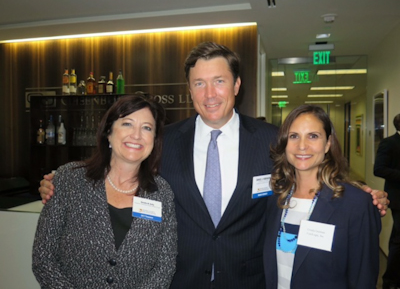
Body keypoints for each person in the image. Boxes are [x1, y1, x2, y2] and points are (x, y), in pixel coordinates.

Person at [38, 42, 388, 289]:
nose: (210, 94)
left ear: (236, 85)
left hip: (248, 279)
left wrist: (360, 192)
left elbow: (307, 171)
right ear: (189, 89)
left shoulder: (271, 140)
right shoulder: (164, 140)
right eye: (199, 83)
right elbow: (124, 161)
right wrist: (62, 179)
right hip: (180, 279)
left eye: (219, 81)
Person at [32, 94, 178, 288]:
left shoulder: (161, 193)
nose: (137, 135)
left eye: (147, 128)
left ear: (154, 140)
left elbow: (164, 266)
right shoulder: (69, 179)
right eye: (127, 124)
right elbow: (43, 258)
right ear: (108, 132)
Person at [263, 105, 381, 289]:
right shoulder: (275, 198)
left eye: (313, 136)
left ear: (327, 144)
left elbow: (362, 278)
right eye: (294, 136)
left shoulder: (354, 203)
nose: (302, 146)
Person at [374, 113, 400, 289]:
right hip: (398, 197)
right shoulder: (389, 143)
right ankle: (390, 281)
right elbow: (379, 169)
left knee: (397, 238)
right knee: (399, 240)